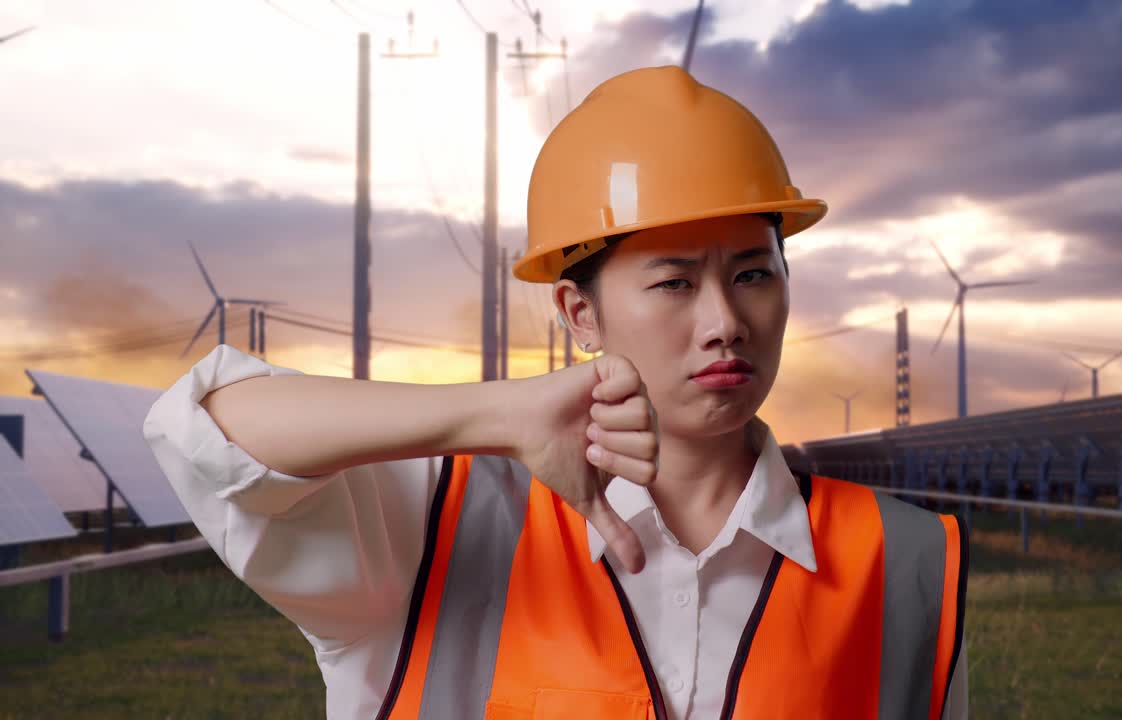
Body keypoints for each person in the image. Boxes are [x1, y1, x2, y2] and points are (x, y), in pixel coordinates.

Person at [144, 65, 968, 720]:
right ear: (579, 311)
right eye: (675, 283)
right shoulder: (431, 528)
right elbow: (206, 427)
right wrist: (498, 412)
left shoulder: (908, 563)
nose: (726, 322)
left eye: (753, 273)